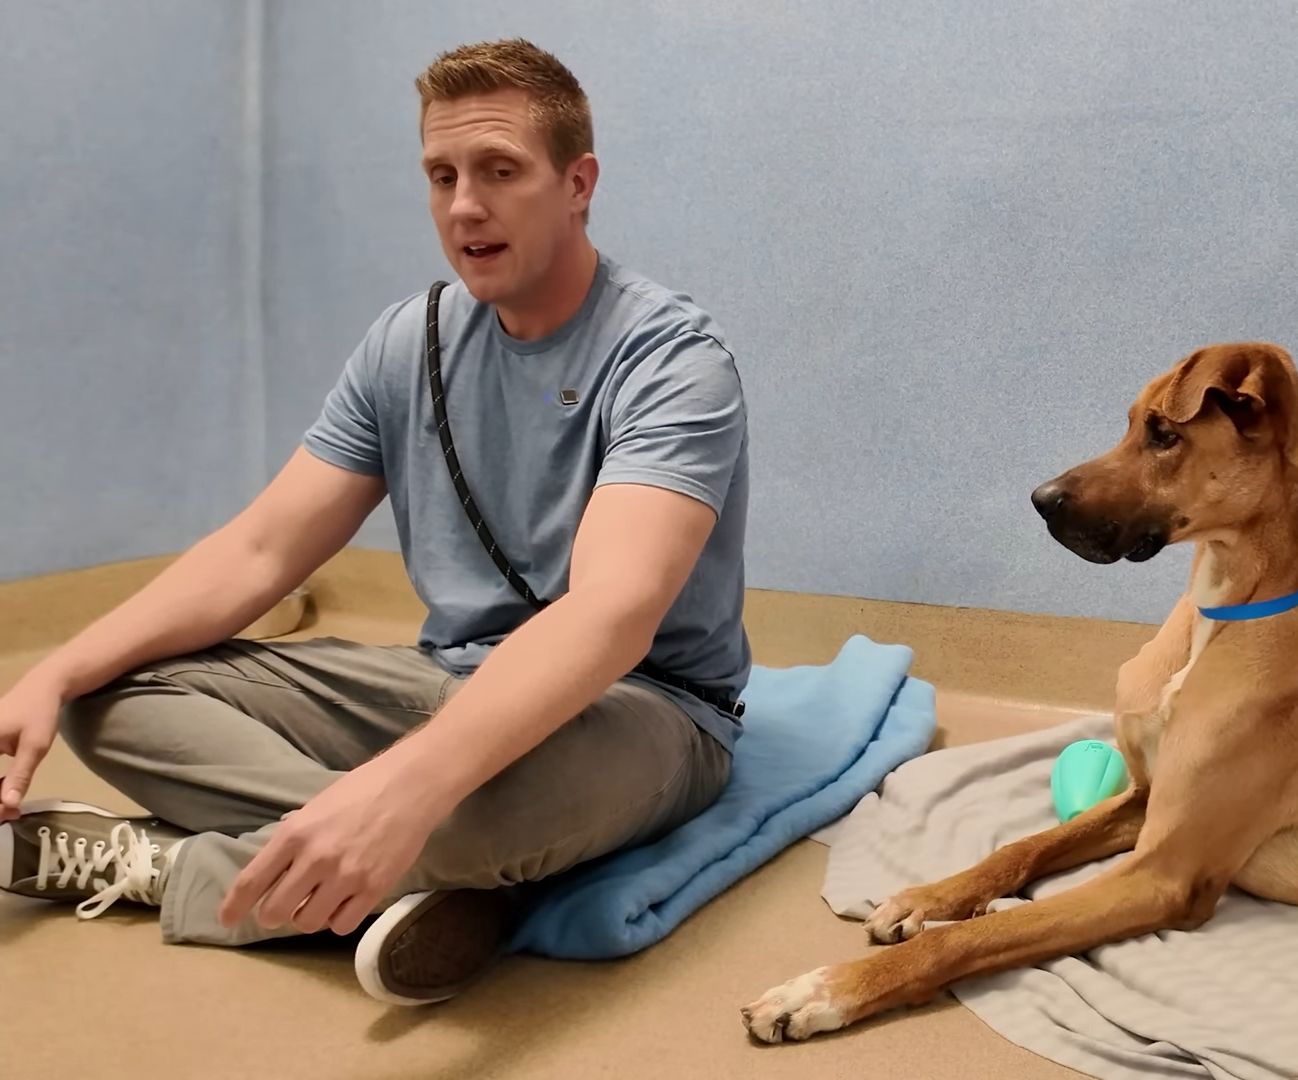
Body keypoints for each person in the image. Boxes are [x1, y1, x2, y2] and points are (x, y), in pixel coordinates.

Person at [0, 38, 749, 1006]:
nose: (464, 205)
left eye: (500, 171)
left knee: (484, 809)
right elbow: (261, 547)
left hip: (642, 709)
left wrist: (412, 788)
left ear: (578, 183)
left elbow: (612, 614)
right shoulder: (409, 342)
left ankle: (169, 870)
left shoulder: (672, 360)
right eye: (441, 175)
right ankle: (416, 872)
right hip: (442, 678)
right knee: (112, 692)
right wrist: (53, 669)